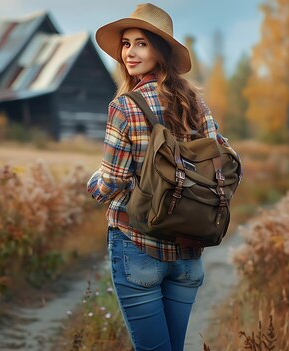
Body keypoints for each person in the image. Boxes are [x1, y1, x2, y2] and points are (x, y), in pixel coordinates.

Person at [87, 3, 221, 351]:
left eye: (142, 43)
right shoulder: (196, 104)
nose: (130, 52)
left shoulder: (126, 106)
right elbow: (220, 161)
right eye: (127, 43)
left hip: (139, 244)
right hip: (188, 247)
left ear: (160, 51)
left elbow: (111, 182)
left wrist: (94, 183)